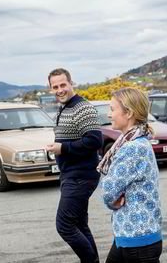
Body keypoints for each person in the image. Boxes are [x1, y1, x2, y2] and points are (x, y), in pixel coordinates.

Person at [97, 87, 163, 263]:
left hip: (138, 240)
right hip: (130, 235)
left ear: (129, 113)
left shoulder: (132, 148)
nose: (109, 114)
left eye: (112, 109)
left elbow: (108, 190)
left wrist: (112, 200)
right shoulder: (132, 141)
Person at [46, 68, 102, 263]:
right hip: (71, 175)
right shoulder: (65, 107)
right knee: (79, 224)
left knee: (65, 225)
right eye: (55, 87)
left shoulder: (82, 107)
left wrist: (63, 148)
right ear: (50, 88)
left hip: (81, 177)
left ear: (71, 83)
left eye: (63, 85)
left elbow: (95, 141)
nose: (60, 89)